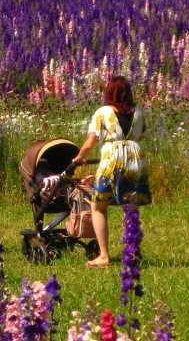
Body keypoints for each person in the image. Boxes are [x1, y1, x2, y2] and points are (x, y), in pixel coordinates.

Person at [64, 75, 151, 267]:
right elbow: (142, 134)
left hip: (112, 160)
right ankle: (133, 252)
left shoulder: (102, 112)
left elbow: (90, 141)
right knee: (131, 207)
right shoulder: (138, 112)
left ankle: (104, 256)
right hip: (135, 158)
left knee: (99, 206)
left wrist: (79, 157)